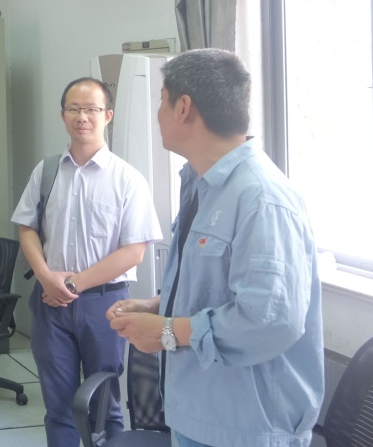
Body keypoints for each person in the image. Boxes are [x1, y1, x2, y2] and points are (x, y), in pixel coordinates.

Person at [109, 49, 323, 447]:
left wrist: (168, 331)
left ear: (183, 107)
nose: (158, 114)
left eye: (162, 101)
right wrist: (160, 306)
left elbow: (270, 320)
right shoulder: (203, 184)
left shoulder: (261, 198)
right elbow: (218, 286)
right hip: (200, 413)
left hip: (245, 428)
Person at [11, 78, 162, 447]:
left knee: (105, 405)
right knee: (58, 406)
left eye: (92, 109)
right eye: (74, 109)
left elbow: (134, 251)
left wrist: (71, 284)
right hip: (50, 303)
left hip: (105, 303)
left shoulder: (128, 179)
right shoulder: (46, 171)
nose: (83, 117)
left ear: (107, 115)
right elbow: (27, 228)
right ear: (63, 115)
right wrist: (45, 276)